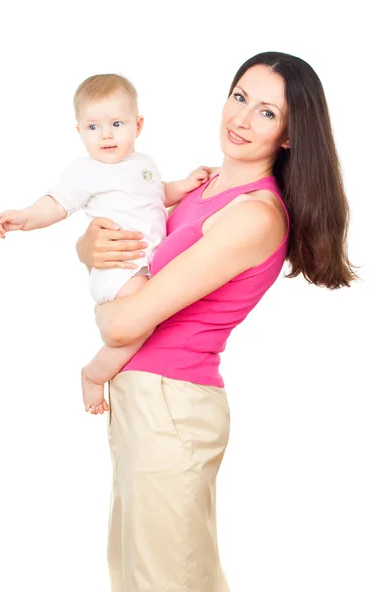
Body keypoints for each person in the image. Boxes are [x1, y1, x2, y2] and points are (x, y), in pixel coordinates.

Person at [76, 50, 357, 591]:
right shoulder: (199, 191)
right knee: (136, 574)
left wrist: (103, 303)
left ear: (292, 136)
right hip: (146, 398)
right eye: (240, 97)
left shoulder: (252, 214)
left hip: (171, 404)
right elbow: (122, 253)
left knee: (168, 580)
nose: (243, 119)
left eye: (267, 113)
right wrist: (87, 248)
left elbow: (121, 325)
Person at [0, 73, 211, 413]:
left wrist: (183, 185)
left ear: (137, 125)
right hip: (118, 269)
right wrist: (26, 217)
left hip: (142, 267)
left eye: (117, 123)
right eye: (93, 127)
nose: (106, 135)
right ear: (79, 131)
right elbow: (56, 203)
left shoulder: (144, 164)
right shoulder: (85, 170)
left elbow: (156, 195)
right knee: (144, 320)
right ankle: (95, 375)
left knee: (155, 314)